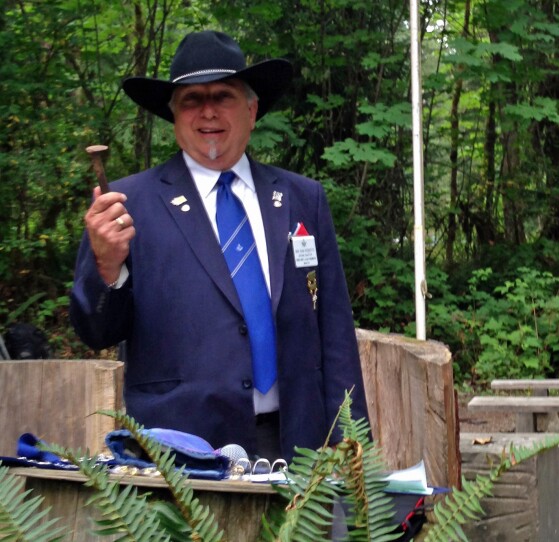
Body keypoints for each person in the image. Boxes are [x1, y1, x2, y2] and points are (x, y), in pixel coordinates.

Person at [70, 30, 370, 460]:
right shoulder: (126, 206)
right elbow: (95, 333)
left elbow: (335, 332)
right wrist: (106, 268)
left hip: (300, 448)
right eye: (192, 99)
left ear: (252, 110)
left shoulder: (304, 198)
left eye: (223, 96)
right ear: (174, 116)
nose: (207, 111)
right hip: (181, 453)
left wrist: (354, 443)